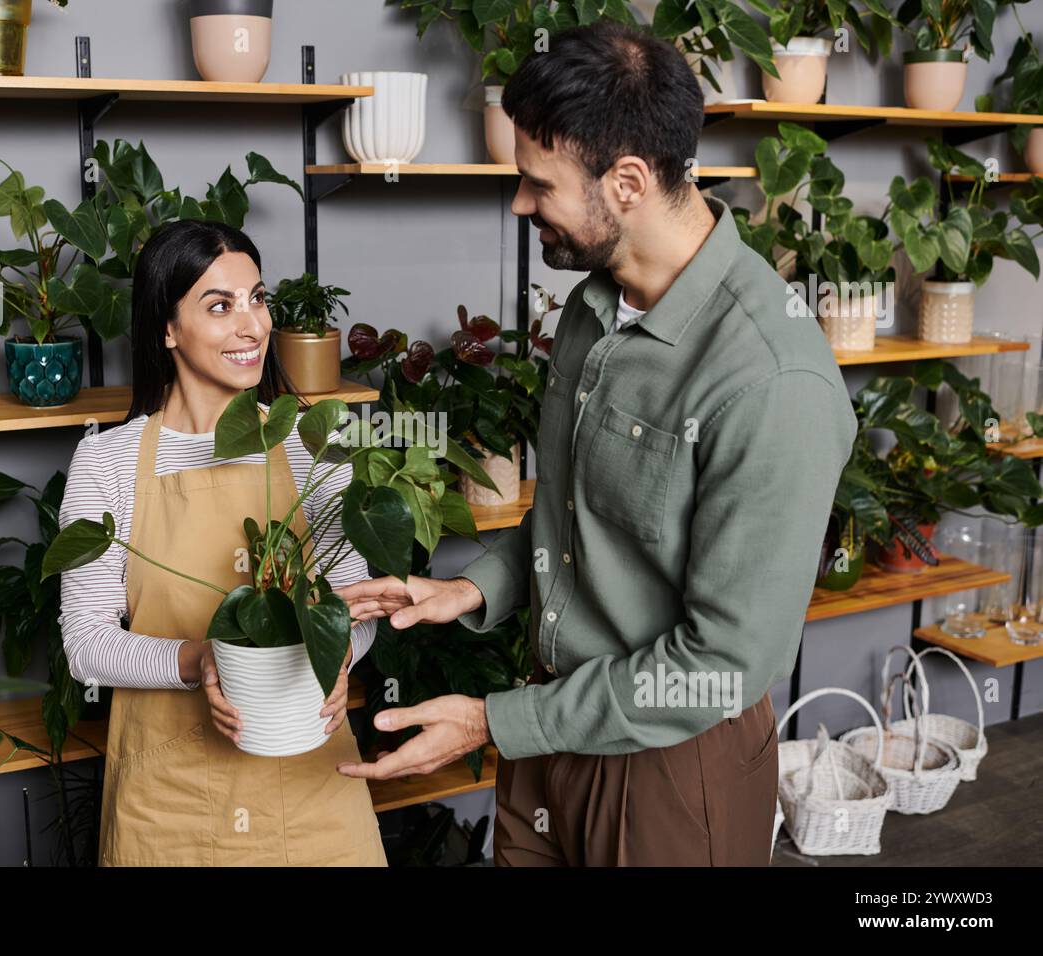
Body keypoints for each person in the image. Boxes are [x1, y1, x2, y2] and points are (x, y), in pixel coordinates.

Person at [334, 21, 858, 866]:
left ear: (626, 182)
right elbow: (583, 524)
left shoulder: (772, 379)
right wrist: (468, 594)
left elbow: (721, 663)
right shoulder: (592, 307)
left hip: (671, 771)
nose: (518, 205)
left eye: (537, 184)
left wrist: (490, 722)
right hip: (554, 738)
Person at [58, 219, 386, 866]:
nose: (253, 325)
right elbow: (85, 645)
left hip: (313, 789)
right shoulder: (108, 462)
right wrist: (200, 660)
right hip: (170, 801)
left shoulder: (313, 443)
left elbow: (358, 599)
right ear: (166, 328)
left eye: (258, 299)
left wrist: (340, 651)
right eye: (220, 306)